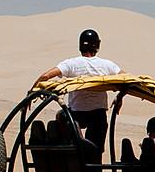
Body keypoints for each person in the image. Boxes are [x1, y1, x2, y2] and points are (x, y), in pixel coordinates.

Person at [37, 28, 120, 160]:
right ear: (97, 45)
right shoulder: (107, 65)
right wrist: (119, 98)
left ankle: (71, 149)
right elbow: (127, 79)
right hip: (98, 115)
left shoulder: (71, 64)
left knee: (62, 118)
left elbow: (45, 76)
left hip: (75, 115)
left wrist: (31, 93)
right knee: (95, 153)